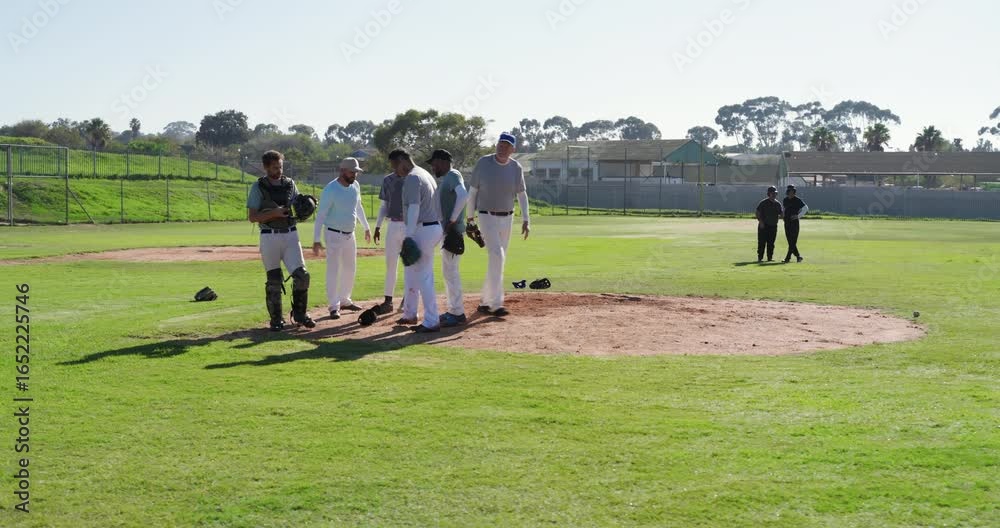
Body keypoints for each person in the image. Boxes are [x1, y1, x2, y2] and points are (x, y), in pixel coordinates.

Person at [246, 150, 316, 331]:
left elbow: (297, 206)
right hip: (269, 236)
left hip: (291, 234)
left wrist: (305, 209)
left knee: (302, 276)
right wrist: (275, 213)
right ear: (266, 167)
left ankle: (300, 314)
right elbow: (252, 217)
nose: (279, 170)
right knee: (274, 280)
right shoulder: (258, 187)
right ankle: (276, 319)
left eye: (281, 167)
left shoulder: (290, 184)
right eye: (275, 167)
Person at [466, 133, 531, 317]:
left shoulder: (516, 167)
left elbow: (522, 194)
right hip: (486, 215)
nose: (502, 148)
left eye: (507, 145)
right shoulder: (483, 163)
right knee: (497, 256)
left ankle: (485, 302)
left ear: (513, 149)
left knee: (497, 260)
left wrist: (526, 219)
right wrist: (470, 218)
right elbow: (472, 192)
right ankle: (496, 304)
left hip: (507, 217)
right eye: (500, 144)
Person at [391, 149, 444, 333]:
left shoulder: (413, 177)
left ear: (402, 160)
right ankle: (410, 313)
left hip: (423, 229)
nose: (395, 171)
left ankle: (432, 320)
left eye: (395, 166)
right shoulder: (424, 174)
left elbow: (414, 208)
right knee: (411, 271)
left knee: (424, 275)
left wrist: (409, 235)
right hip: (431, 227)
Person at [312, 158, 372, 319]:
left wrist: (366, 227)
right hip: (333, 234)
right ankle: (333, 306)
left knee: (350, 268)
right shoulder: (331, 189)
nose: (355, 175)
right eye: (352, 172)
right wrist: (316, 239)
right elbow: (321, 215)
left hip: (349, 234)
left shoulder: (355, 186)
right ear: (342, 170)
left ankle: (345, 300)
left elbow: (358, 207)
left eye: (356, 172)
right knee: (333, 269)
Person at [429, 149, 470, 327]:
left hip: (453, 232)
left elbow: (463, 196)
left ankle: (458, 313)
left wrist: (452, 219)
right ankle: (453, 310)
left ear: (443, 161)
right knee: (448, 272)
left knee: (451, 273)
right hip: (449, 231)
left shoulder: (453, 174)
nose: (433, 167)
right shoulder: (448, 178)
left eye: (434, 163)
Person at [373, 163, 409, 315]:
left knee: (409, 265)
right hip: (393, 225)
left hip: (409, 226)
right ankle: (388, 301)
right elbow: (384, 205)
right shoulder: (388, 180)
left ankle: (408, 298)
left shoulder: (413, 179)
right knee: (390, 265)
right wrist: (378, 227)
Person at [755, 186, 783, 263]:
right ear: (769, 194)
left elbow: (781, 214)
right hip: (763, 226)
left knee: (771, 243)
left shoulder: (778, 204)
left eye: (775, 193)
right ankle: (760, 258)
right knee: (762, 242)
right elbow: (757, 213)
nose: (774, 195)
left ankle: (769, 258)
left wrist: (782, 216)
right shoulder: (763, 203)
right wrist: (761, 222)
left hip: (773, 226)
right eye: (772, 193)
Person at [782, 185, 809, 263]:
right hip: (787, 223)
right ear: (787, 192)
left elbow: (806, 208)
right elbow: (784, 209)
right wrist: (783, 216)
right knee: (790, 241)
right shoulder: (785, 200)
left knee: (793, 241)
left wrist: (798, 216)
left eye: (793, 191)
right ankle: (798, 257)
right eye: (790, 191)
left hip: (794, 223)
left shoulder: (797, 200)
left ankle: (787, 258)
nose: (791, 193)